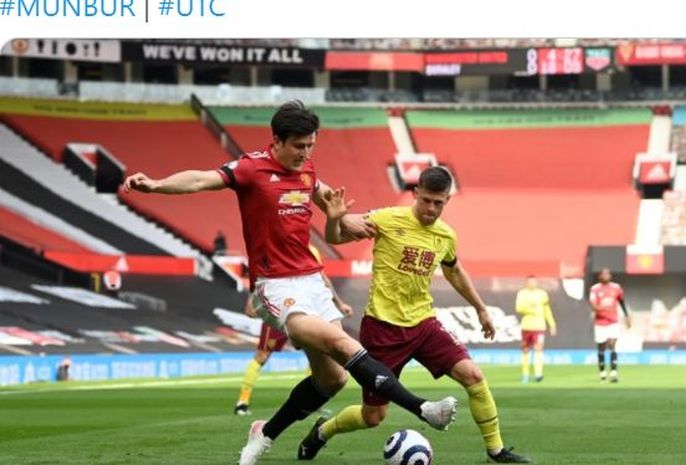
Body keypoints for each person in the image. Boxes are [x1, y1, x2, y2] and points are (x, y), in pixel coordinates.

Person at [122, 100, 457, 465]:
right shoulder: (251, 168)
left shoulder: (307, 170)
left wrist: (347, 220)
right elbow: (201, 178)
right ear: (277, 141)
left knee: (332, 380)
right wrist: (155, 185)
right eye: (299, 146)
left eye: (311, 145)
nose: (305, 153)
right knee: (338, 341)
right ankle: (423, 408)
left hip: (312, 281)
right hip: (275, 285)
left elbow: (329, 201)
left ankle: (262, 434)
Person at [298, 166, 531, 464]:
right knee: (373, 416)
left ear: (447, 200)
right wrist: (333, 220)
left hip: (423, 324)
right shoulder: (386, 219)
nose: (431, 209)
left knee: (473, 375)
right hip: (382, 329)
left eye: (439, 203)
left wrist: (481, 308)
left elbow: (454, 271)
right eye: (427, 201)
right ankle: (323, 431)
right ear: (415, 193)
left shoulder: (445, 235)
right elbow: (337, 237)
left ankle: (496, 450)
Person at [235, 245, 354, 416]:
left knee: (318, 355)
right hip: (278, 312)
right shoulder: (272, 249)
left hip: (305, 311)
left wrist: (340, 304)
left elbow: (322, 278)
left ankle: (315, 400)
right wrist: (253, 301)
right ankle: (242, 402)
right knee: (261, 356)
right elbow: (259, 281)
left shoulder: (312, 251)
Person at [589, 268, 631, 383]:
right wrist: (598, 308)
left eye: (607, 273)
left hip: (613, 321)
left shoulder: (616, 287)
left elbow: (621, 302)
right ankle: (602, 372)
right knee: (601, 346)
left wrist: (627, 316)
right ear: (600, 276)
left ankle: (613, 372)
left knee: (612, 344)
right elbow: (592, 304)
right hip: (600, 322)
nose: (606, 275)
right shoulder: (595, 289)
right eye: (603, 274)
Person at [515, 275, 556, 383]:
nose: (532, 284)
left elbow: (547, 309)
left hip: (539, 326)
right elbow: (519, 308)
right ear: (526, 283)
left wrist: (552, 324)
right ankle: (525, 374)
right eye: (530, 282)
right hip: (526, 326)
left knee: (538, 348)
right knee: (525, 350)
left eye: (534, 282)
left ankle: (538, 374)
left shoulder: (542, 294)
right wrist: (531, 309)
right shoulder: (522, 294)